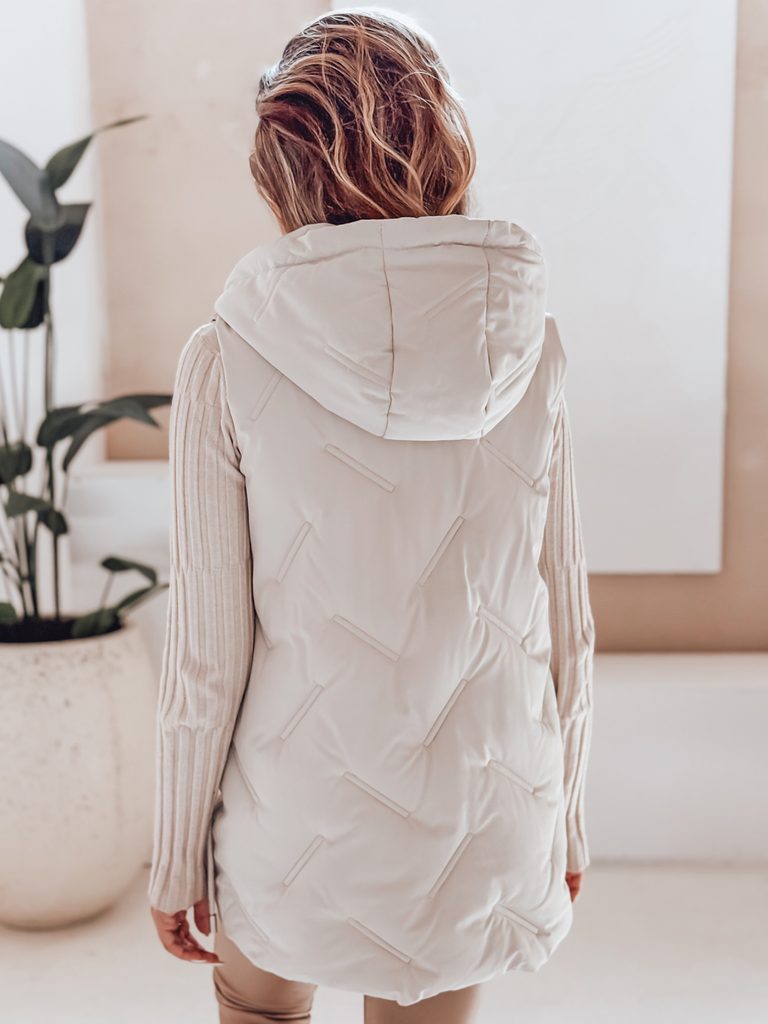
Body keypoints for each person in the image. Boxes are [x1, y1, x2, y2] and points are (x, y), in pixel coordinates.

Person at [148, 7, 596, 1023]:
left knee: (260, 1007)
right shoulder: (531, 345)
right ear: (442, 141)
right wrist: (564, 824)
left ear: (282, 168)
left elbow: (205, 657)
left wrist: (174, 857)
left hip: (295, 823)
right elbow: (566, 621)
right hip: (482, 823)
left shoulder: (227, 354)